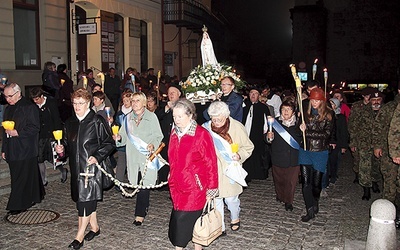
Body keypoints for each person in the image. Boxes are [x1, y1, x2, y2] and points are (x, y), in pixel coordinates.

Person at [55, 88, 115, 249]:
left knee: (84, 203)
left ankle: (79, 236)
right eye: (74, 103)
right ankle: (95, 228)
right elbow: (68, 146)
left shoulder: (97, 121)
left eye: (80, 103)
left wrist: (97, 156)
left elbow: (109, 143)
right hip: (76, 169)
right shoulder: (69, 122)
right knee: (82, 200)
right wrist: (62, 151)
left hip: (91, 170)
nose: (77, 106)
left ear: (88, 103)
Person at [168, 99, 219, 250]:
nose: (176, 120)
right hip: (177, 184)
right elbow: (173, 157)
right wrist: (171, 173)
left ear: (190, 116)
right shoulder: (174, 133)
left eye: (180, 117)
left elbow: (211, 163)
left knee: (183, 221)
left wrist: (211, 188)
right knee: (192, 221)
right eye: (174, 117)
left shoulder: (201, 135)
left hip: (195, 187)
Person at [204, 101, 254, 234]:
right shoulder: (206, 129)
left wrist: (240, 155)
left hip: (231, 171)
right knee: (217, 199)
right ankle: (221, 227)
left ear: (226, 116)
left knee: (231, 200)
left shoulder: (237, 127)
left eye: (219, 119)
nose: (216, 122)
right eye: (213, 119)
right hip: (214, 171)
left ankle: (235, 216)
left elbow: (248, 147)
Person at [115, 92, 163, 225]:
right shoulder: (127, 118)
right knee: (137, 183)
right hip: (133, 156)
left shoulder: (152, 117)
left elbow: (158, 135)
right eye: (133, 100)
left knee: (145, 184)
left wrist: (153, 144)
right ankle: (144, 206)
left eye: (137, 100)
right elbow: (122, 137)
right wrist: (118, 138)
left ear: (143, 103)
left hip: (147, 156)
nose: (134, 103)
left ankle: (140, 214)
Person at [2, 83, 44, 215]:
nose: (7, 99)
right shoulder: (8, 108)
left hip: (25, 148)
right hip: (12, 148)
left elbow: (34, 127)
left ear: (18, 94)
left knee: (21, 177)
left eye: (10, 96)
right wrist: (4, 148)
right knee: (23, 174)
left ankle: (19, 203)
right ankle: (35, 195)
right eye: (5, 96)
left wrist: (18, 132)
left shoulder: (29, 107)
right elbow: (5, 131)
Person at [298, 88, 333, 222]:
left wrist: (307, 132)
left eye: (317, 100)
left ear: (322, 101)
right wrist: (300, 128)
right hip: (305, 150)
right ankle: (310, 209)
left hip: (320, 151)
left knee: (316, 184)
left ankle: (315, 200)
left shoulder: (328, 115)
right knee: (306, 182)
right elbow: (298, 129)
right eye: (312, 100)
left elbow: (326, 134)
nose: (314, 103)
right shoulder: (304, 113)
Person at [266, 100, 302, 211]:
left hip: (293, 158)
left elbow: (304, 141)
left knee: (291, 182)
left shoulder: (299, 124)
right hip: (278, 156)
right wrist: (268, 137)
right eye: (283, 109)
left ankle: (288, 201)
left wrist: (303, 132)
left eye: (288, 109)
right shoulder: (274, 123)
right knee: (279, 180)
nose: (285, 112)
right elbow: (267, 139)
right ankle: (280, 195)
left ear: (294, 112)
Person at [349, 89, 383, 200]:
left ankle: (374, 181)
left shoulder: (385, 110)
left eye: (378, 100)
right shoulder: (362, 111)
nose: (376, 102)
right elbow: (353, 126)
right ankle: (366, 189)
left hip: (379, 144)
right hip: (364, 142)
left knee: (376, 164)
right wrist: (353, 141)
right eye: (374, 100)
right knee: (364, 166)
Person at [30, 87, 67, 185]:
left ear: (42, 96)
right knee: (40, 158)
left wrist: (58, 136)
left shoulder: (51, 103)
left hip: (51, 135)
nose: (35, 101)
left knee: (54, 157)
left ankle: (63, 171)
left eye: (37, 99)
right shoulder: (33, 106)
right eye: (33, 100)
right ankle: (43, 179)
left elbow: (56, 120)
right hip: (40, 136)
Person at [373, 83, 400, 209]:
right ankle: (389, 210)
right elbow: (378, 127)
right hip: (389, 149)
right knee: (390, 181)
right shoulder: (389, 108)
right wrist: (377, 146)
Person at [155, 84, 182, 189]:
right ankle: (163, 183)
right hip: (166, 139)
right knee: (164, 160)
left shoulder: (184, 105)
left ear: (179, 94)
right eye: (169, 93)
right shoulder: (163, 106)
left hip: (179, 139)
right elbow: (157, 117)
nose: (171, 95)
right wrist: (166, 108)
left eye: (173, 93)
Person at [242, 87, 271, 181]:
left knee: (257, 154)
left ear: (259, 95)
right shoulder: (244, 106)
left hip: (257, 135)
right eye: (251, 93)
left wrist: (266, 133)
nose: (253, 95)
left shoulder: (263, 107)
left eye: (255, 93)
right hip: (245, 133)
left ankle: (258, 173)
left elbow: (267, 122)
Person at [348, 86, 375, 183]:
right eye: (367, 95)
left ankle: (371, 180)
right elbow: (351, 124)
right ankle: (357, 174)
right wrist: (352, 141)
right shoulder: (357, 106)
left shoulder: (376, 106)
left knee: (370, 162)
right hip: (359, 137)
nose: (369, 98)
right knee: (357, 159)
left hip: (371, 139)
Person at [323, 98, 348, 192]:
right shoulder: (326, 115)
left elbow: (343, 132)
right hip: (327, 143)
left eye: (333, 104)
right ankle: (327, 178)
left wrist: (344, 146)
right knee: (327, 162)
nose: (331, 106)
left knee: (334, 161)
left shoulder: (340, 117)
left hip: (337, 143)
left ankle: (333, 176)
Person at [114, 90, 133, 184]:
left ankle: (132, 181)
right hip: (121, 141)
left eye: (128, 100)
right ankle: (119, 182)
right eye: (124, 100)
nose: (126, 103)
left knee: (131, 163)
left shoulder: (134, 113)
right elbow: (116, 125)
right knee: (121, 162)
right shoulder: (120, 114)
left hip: (132, 142)